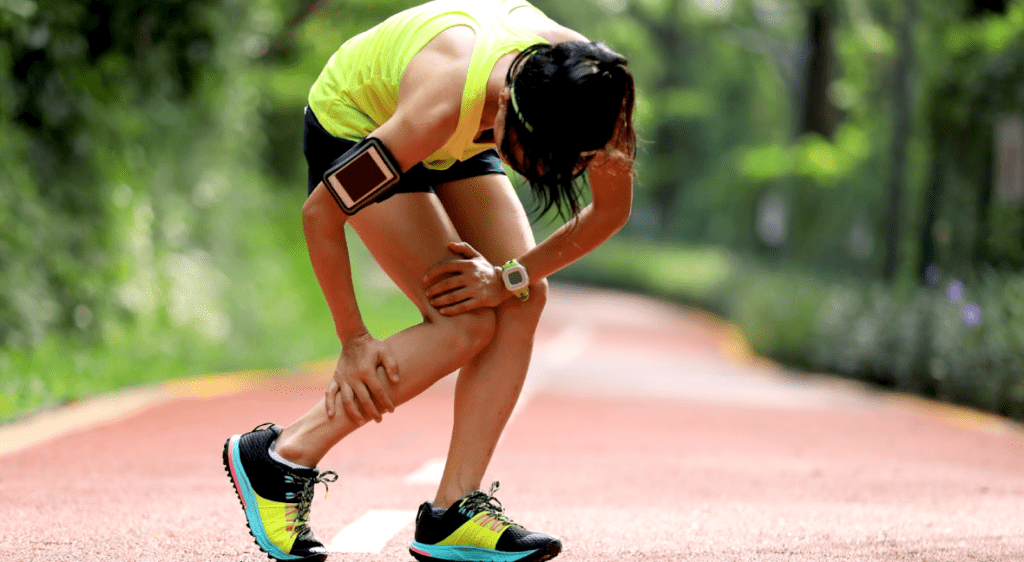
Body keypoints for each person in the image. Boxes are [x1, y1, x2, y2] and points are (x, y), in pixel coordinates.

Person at [222, 1, 636, 561]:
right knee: (464, 323)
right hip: (362, 123)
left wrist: (507, 277)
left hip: (462, 133)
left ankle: (452, 513)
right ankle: (280, 457)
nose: (544, 175)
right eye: (536, 161)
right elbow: (321, 213)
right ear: (509, 111)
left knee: (522, 295)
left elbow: (609, 211)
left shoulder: (593, 93)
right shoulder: (441, 101)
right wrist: (354, 341)